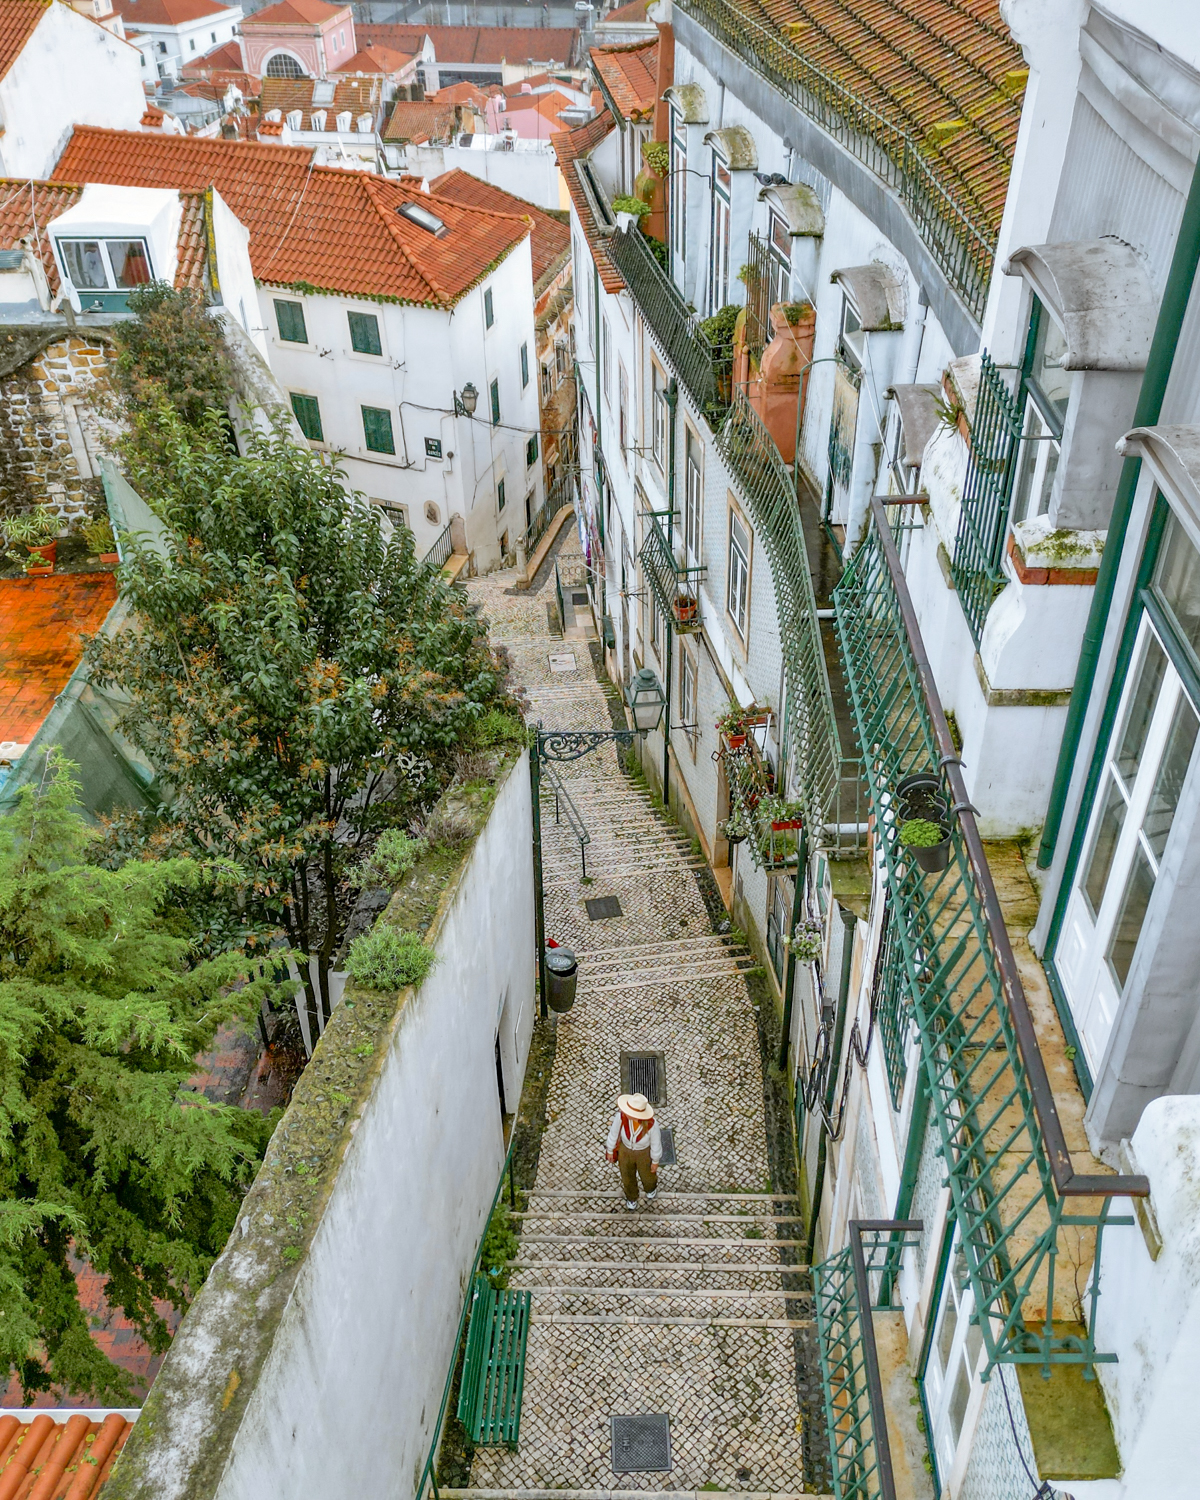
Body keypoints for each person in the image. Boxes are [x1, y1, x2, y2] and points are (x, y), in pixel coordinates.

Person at [605, 1092, 662, 1209]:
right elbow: (613, 1133)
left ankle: (650, 1189)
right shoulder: (621, 1117)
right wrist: (610, 1150)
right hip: (625, 1151)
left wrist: (655, 1161)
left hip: (644, 1153)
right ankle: (631, 1197)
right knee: (627, 1175)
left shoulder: (652, 1125)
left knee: (648, 1176)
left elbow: (656, 1144)